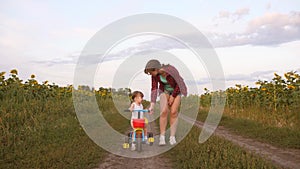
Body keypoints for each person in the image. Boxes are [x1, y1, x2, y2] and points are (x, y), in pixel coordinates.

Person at [144, 59, 187, 146]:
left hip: (177, 90)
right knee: (164, 111)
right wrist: (152, 105)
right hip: (165, 91)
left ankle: (172, 137)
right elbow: (154, 88)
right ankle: (162, 137)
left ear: (155, 69)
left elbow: (179, 83)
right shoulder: (155, 75)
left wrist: (173, 96)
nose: (150, 74)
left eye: (150, 72)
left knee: (174, 112)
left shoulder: (172, 70)